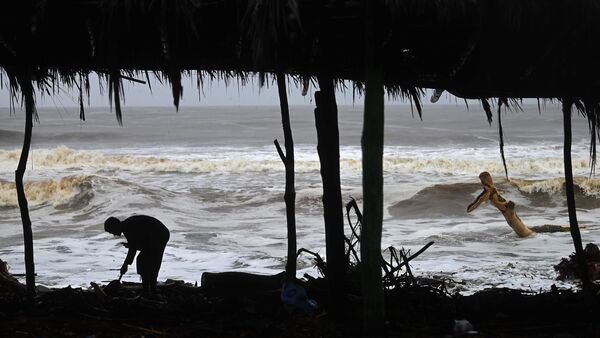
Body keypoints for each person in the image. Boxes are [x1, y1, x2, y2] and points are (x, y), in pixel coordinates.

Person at [104, 215, 170, 297]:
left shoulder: (128, 227)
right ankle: (149, 290)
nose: (114, 234)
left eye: (111, 231)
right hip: (157, 234)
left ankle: (149, 291)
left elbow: (133, 249)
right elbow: (138, 243)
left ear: (115, 226)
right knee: (148, 261)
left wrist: (125, 265)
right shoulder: (127, 226)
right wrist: (131, 245)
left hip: (159, 234)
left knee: (145, 260)